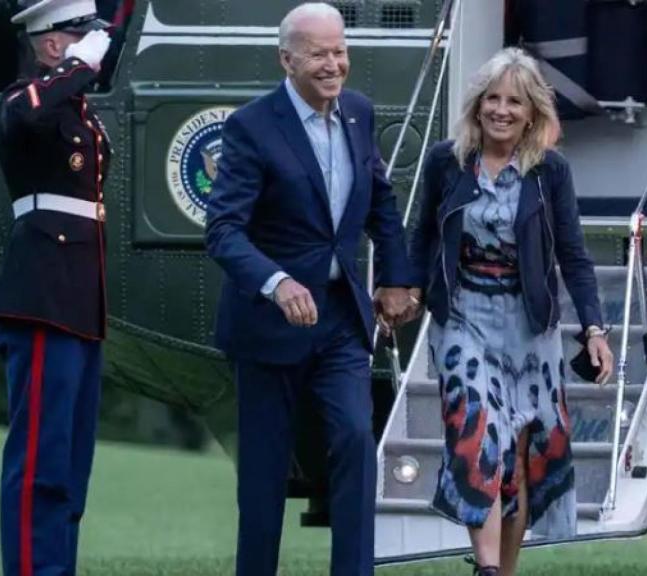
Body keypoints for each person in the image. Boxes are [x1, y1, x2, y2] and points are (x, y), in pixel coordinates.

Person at [204, 3, 416, 574]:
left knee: (354, 440)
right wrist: (276, 283)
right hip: (268, 328)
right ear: (287, 59)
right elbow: (223, 230)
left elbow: (382, 202)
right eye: (319, 54)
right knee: (266, 474)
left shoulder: (358, 114)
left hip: (341, 321)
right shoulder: (251, 126)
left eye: (340, 51)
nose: (333, 64)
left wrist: (396, 276)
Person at [405, 47, 614, 576]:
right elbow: (422, 236)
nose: (501, 110)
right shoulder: (446, 161)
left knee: (520, 460)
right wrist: (403, 289)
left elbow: (573, 254)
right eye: (492, 99)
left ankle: (505, 570)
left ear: (531, 113)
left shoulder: (550, 173)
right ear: (477, 105)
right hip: (464, 320)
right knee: (481, 443)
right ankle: (487, 568)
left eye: (514, 102)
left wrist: (594, 329)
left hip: (529, 330)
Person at [0, 1, 112, 574]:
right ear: (53, 44)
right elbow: (26, 117)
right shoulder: (25, 98)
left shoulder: (78, 111)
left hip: (79, 299)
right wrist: (79, 68)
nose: (95, 42)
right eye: (79, 33)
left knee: (70, 465)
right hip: (42, 295)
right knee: (40, 461)